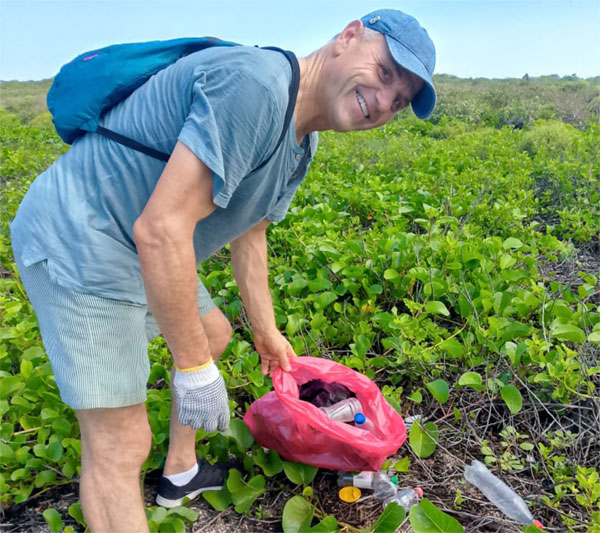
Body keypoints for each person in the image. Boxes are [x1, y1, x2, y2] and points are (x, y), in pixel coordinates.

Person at [10, 8, 436, 532]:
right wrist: (191, 371)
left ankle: (181, 473)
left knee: (212, 333)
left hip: (142, 243)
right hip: (82, 236)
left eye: (400, 100)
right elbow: (161, 231)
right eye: (386, 72)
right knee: (120, 443)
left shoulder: (302, 141)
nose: (386, 101)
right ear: (348, 38)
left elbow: (250, 234)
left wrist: (269, 334)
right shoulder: (255, 86)